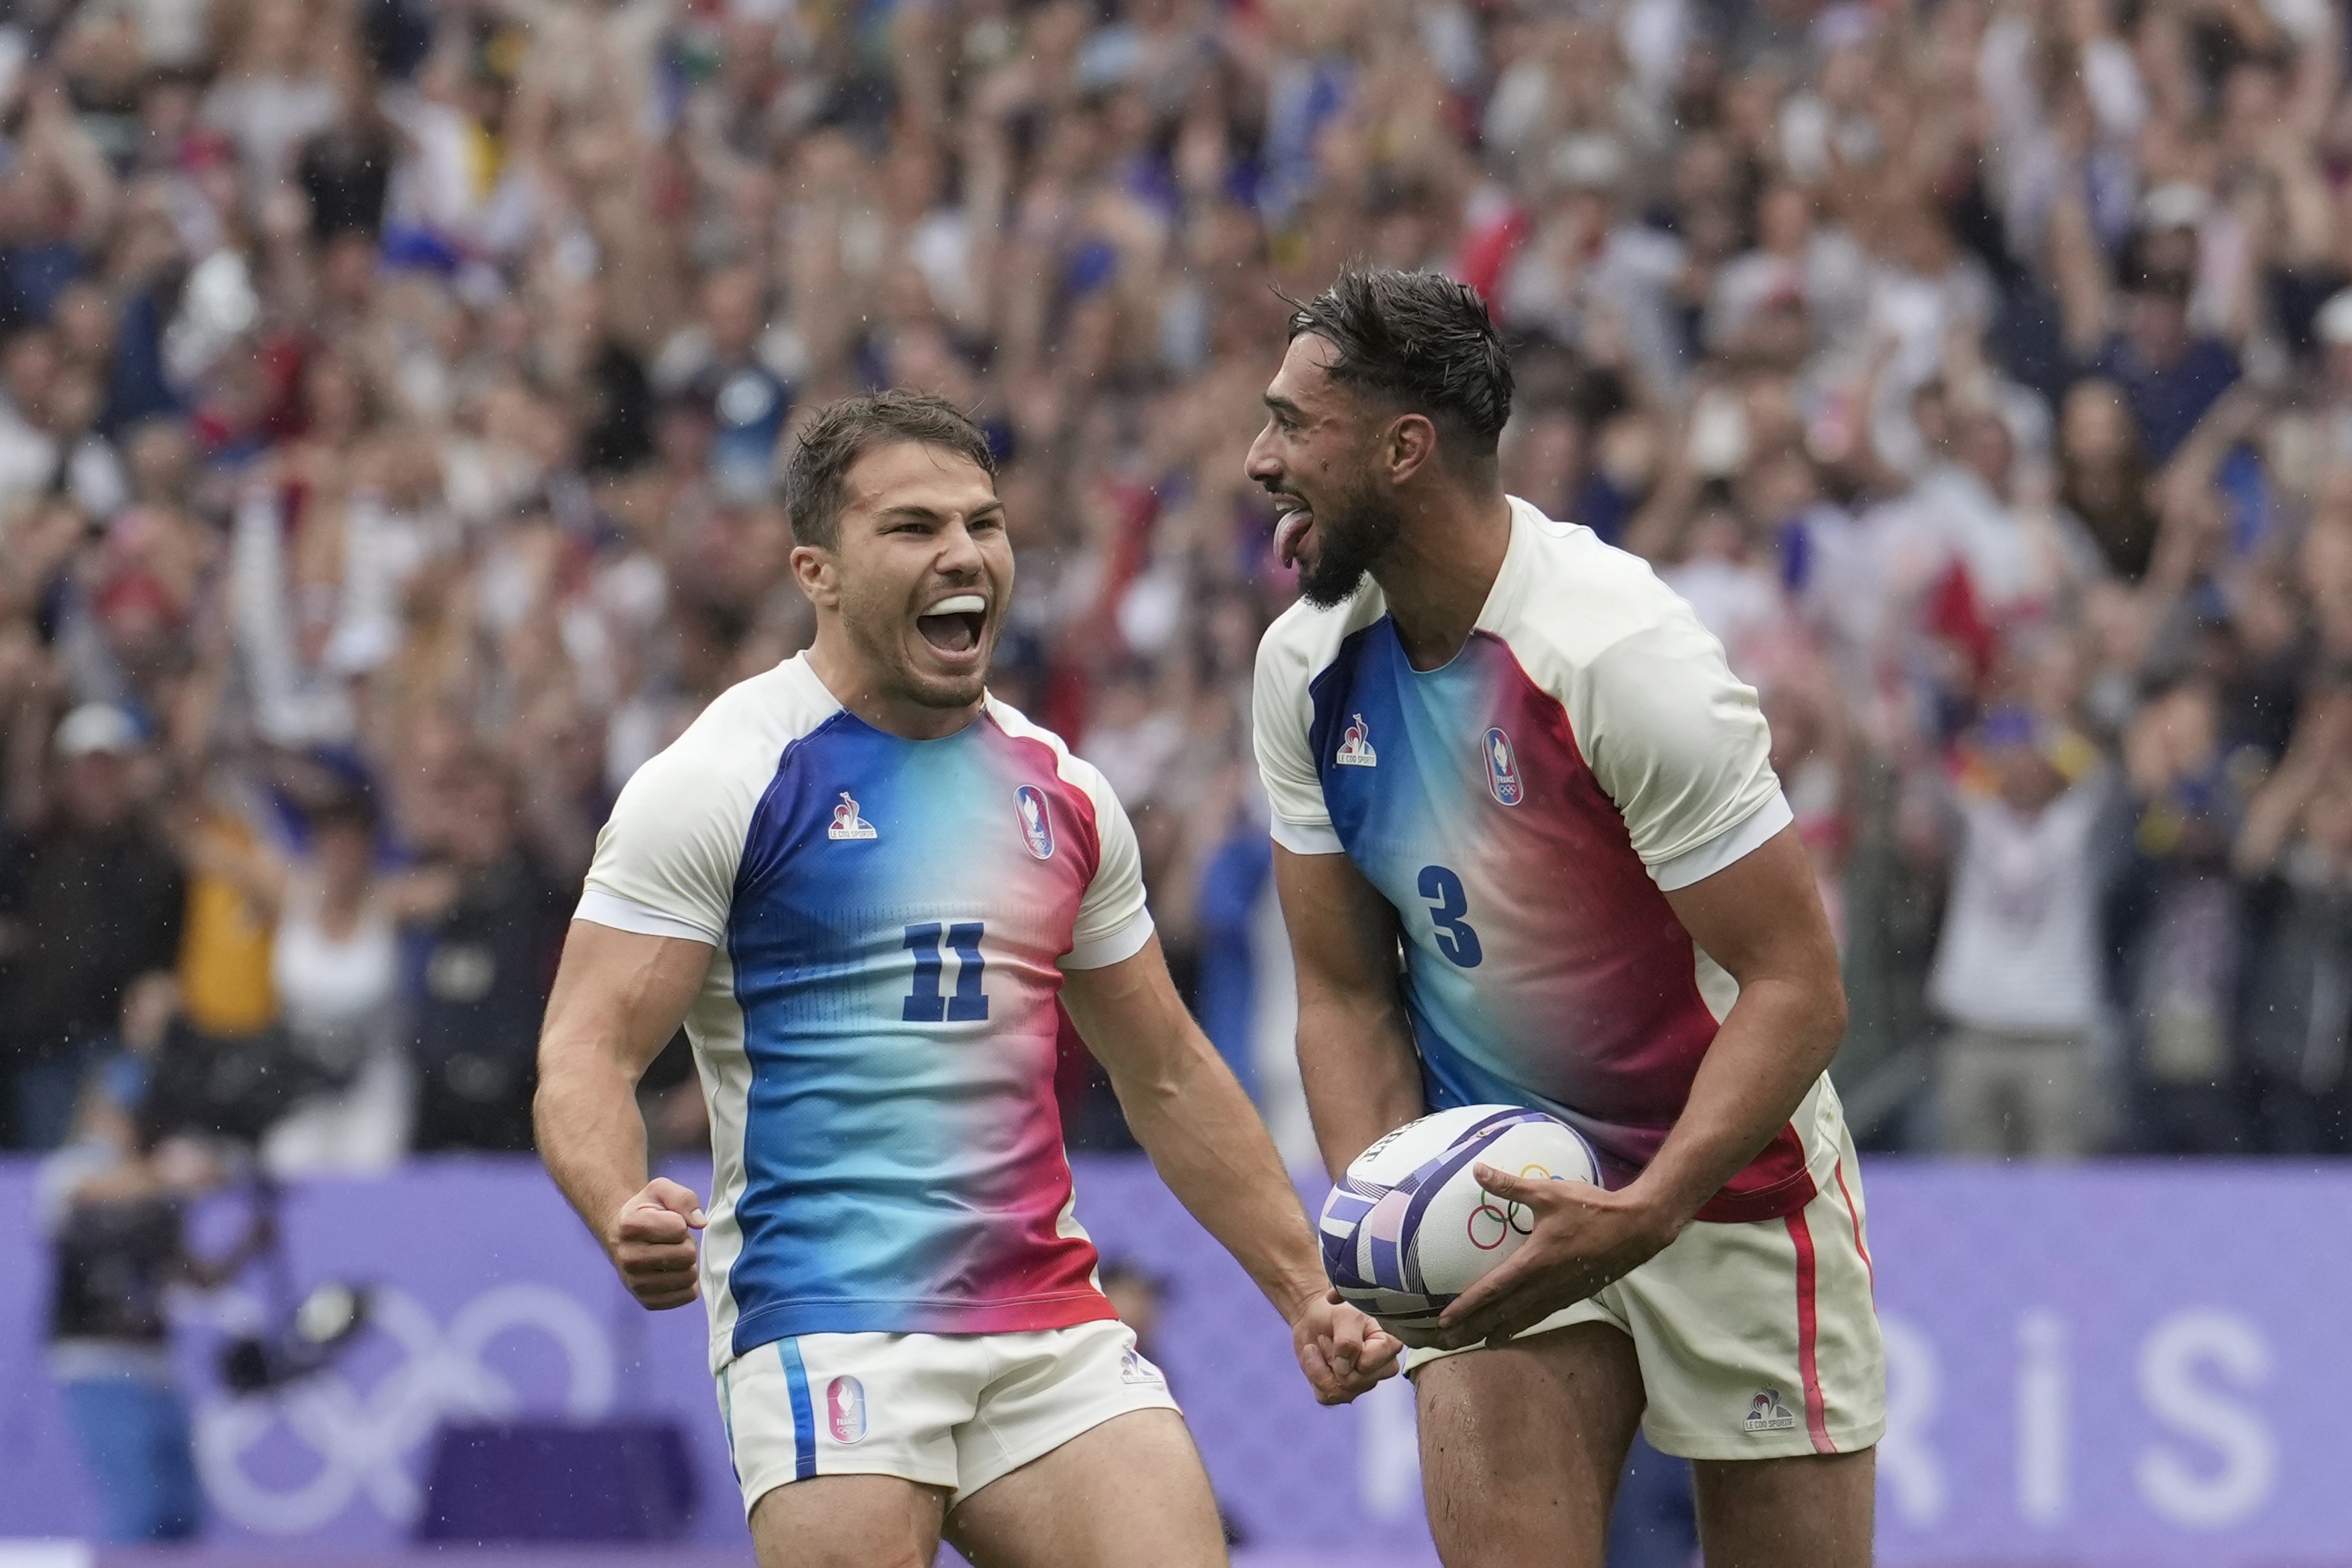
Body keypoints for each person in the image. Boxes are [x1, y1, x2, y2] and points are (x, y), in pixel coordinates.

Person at [534, 390, 1396, 1568]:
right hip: (827, 1318)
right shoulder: (722, 779)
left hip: (1045, 1321)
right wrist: (617, 1199)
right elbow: (586, 1049)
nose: (964, 555)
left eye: (983, 524)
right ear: (817, 571)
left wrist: (1307, 1291)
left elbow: (1170, 1075)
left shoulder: (1064, 794)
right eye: (912, 528)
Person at [1247, 269, 1881, 1568]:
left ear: (1403, 447)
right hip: (1494, 1192)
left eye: (1292, 424)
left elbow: (1798, 987)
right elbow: (1347, 994)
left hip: (1726, 1187)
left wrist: (1649, 1206)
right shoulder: (1304, 668)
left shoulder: (1618, 653)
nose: (1260, 459)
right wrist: (1375, 1233)